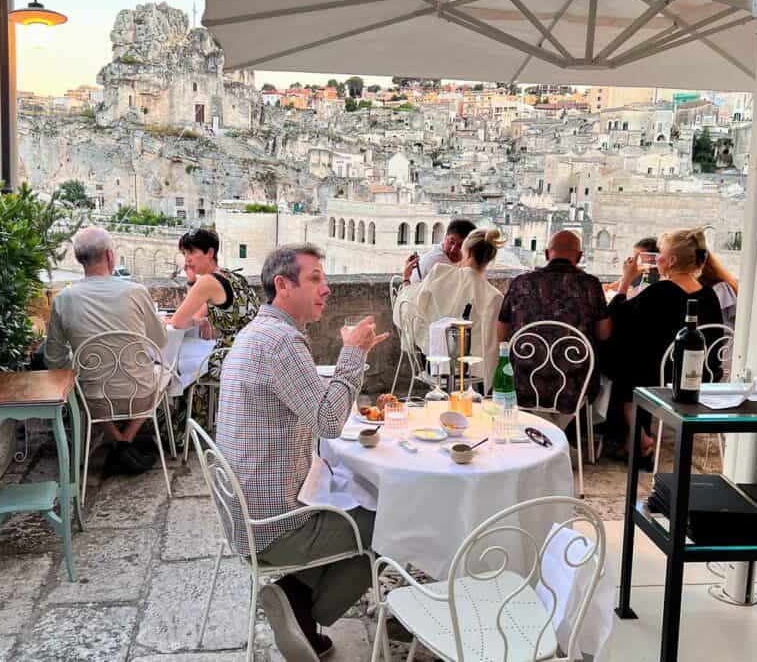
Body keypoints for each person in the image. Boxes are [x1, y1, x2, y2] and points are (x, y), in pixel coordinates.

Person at [217, 245, 389, 660]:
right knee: (394, 522)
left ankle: (296, 595)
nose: (327, 289)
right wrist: (354, 354)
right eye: (315, 279)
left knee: (349, 487)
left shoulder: (259, 332)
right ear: (282, 285)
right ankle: (302, 606)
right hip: (272, 526)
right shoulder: (280, 342)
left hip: (247, 512)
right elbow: (330, 421)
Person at [43, 227, 167, 473]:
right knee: (165, 375)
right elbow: (160, 340)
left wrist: (77, 359)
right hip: (139, 394)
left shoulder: (64, 299)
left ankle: (118, 442)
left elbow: (53, 360)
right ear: (110, 256)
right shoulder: (136, 292)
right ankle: (125, 444)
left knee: (85, 382)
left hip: (93, 401)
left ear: (79, 259)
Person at [601, 228, 725, 464]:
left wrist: (626, 279)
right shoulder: (709, 295)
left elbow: (616, 316)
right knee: (636, 353)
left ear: (672, 260)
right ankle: (632, 436)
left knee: (611, 355)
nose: (656, 259)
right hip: (699, 375)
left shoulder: (661, 291)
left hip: (663, 376)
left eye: (661, 254)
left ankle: (636, 432)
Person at [497, 230, 611, 415]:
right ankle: (563, 433)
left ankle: (540, 432)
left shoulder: (521, 283)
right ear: (580, 257)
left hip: (523, 384)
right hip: (573, 386)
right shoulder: (590, 286)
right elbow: (604, 333)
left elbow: (501, 335)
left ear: (547, 254)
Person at [396, 228, 506, 383]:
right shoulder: (495, 296)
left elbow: (408, 307)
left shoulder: (440, 273)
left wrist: (406, 280)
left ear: (466, 252)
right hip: (475, 374)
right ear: (489, 260)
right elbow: (492, 345)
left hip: (436, 364)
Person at [171, 228, 261, 348]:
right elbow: (199, 312)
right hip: (250, 352)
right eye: (184, 253)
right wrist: (192, 280)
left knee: (167, 358)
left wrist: (201, 321)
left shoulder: (207, 281)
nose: (187, 259)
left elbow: (178, 322)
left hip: (230, 356)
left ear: (210, 253)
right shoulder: (233, 276)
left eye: (191, 252)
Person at [402, 218, 476, 284]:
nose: (453, 249)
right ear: (445, 237)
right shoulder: (437, 262)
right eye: (451, 242)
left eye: (461, 245)